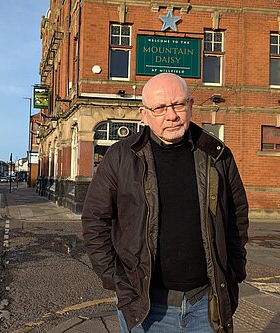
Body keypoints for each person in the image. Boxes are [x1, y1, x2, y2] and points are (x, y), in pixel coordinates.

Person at [82, 73, 249, 333]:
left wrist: (233, 275)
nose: (171, 115)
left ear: (191, 105)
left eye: (178, 105)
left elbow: (237, 219)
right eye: (159, 108)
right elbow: (94, 222)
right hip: (146, 307)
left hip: (206, 306)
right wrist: (119, 282)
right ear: (144, 114)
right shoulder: (121, 157)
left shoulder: (217, 155)